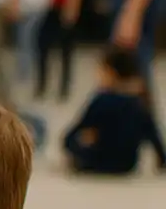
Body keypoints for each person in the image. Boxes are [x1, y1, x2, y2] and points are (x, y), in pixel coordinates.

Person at [63, 47, 166, 175]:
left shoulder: (102, 100)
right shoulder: (140, 102)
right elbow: (154, 137)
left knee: (79, 144)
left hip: (97, 161)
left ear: (110, 73)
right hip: (127, 164)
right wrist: (161, 160)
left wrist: (83, 139)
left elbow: (68, 138)